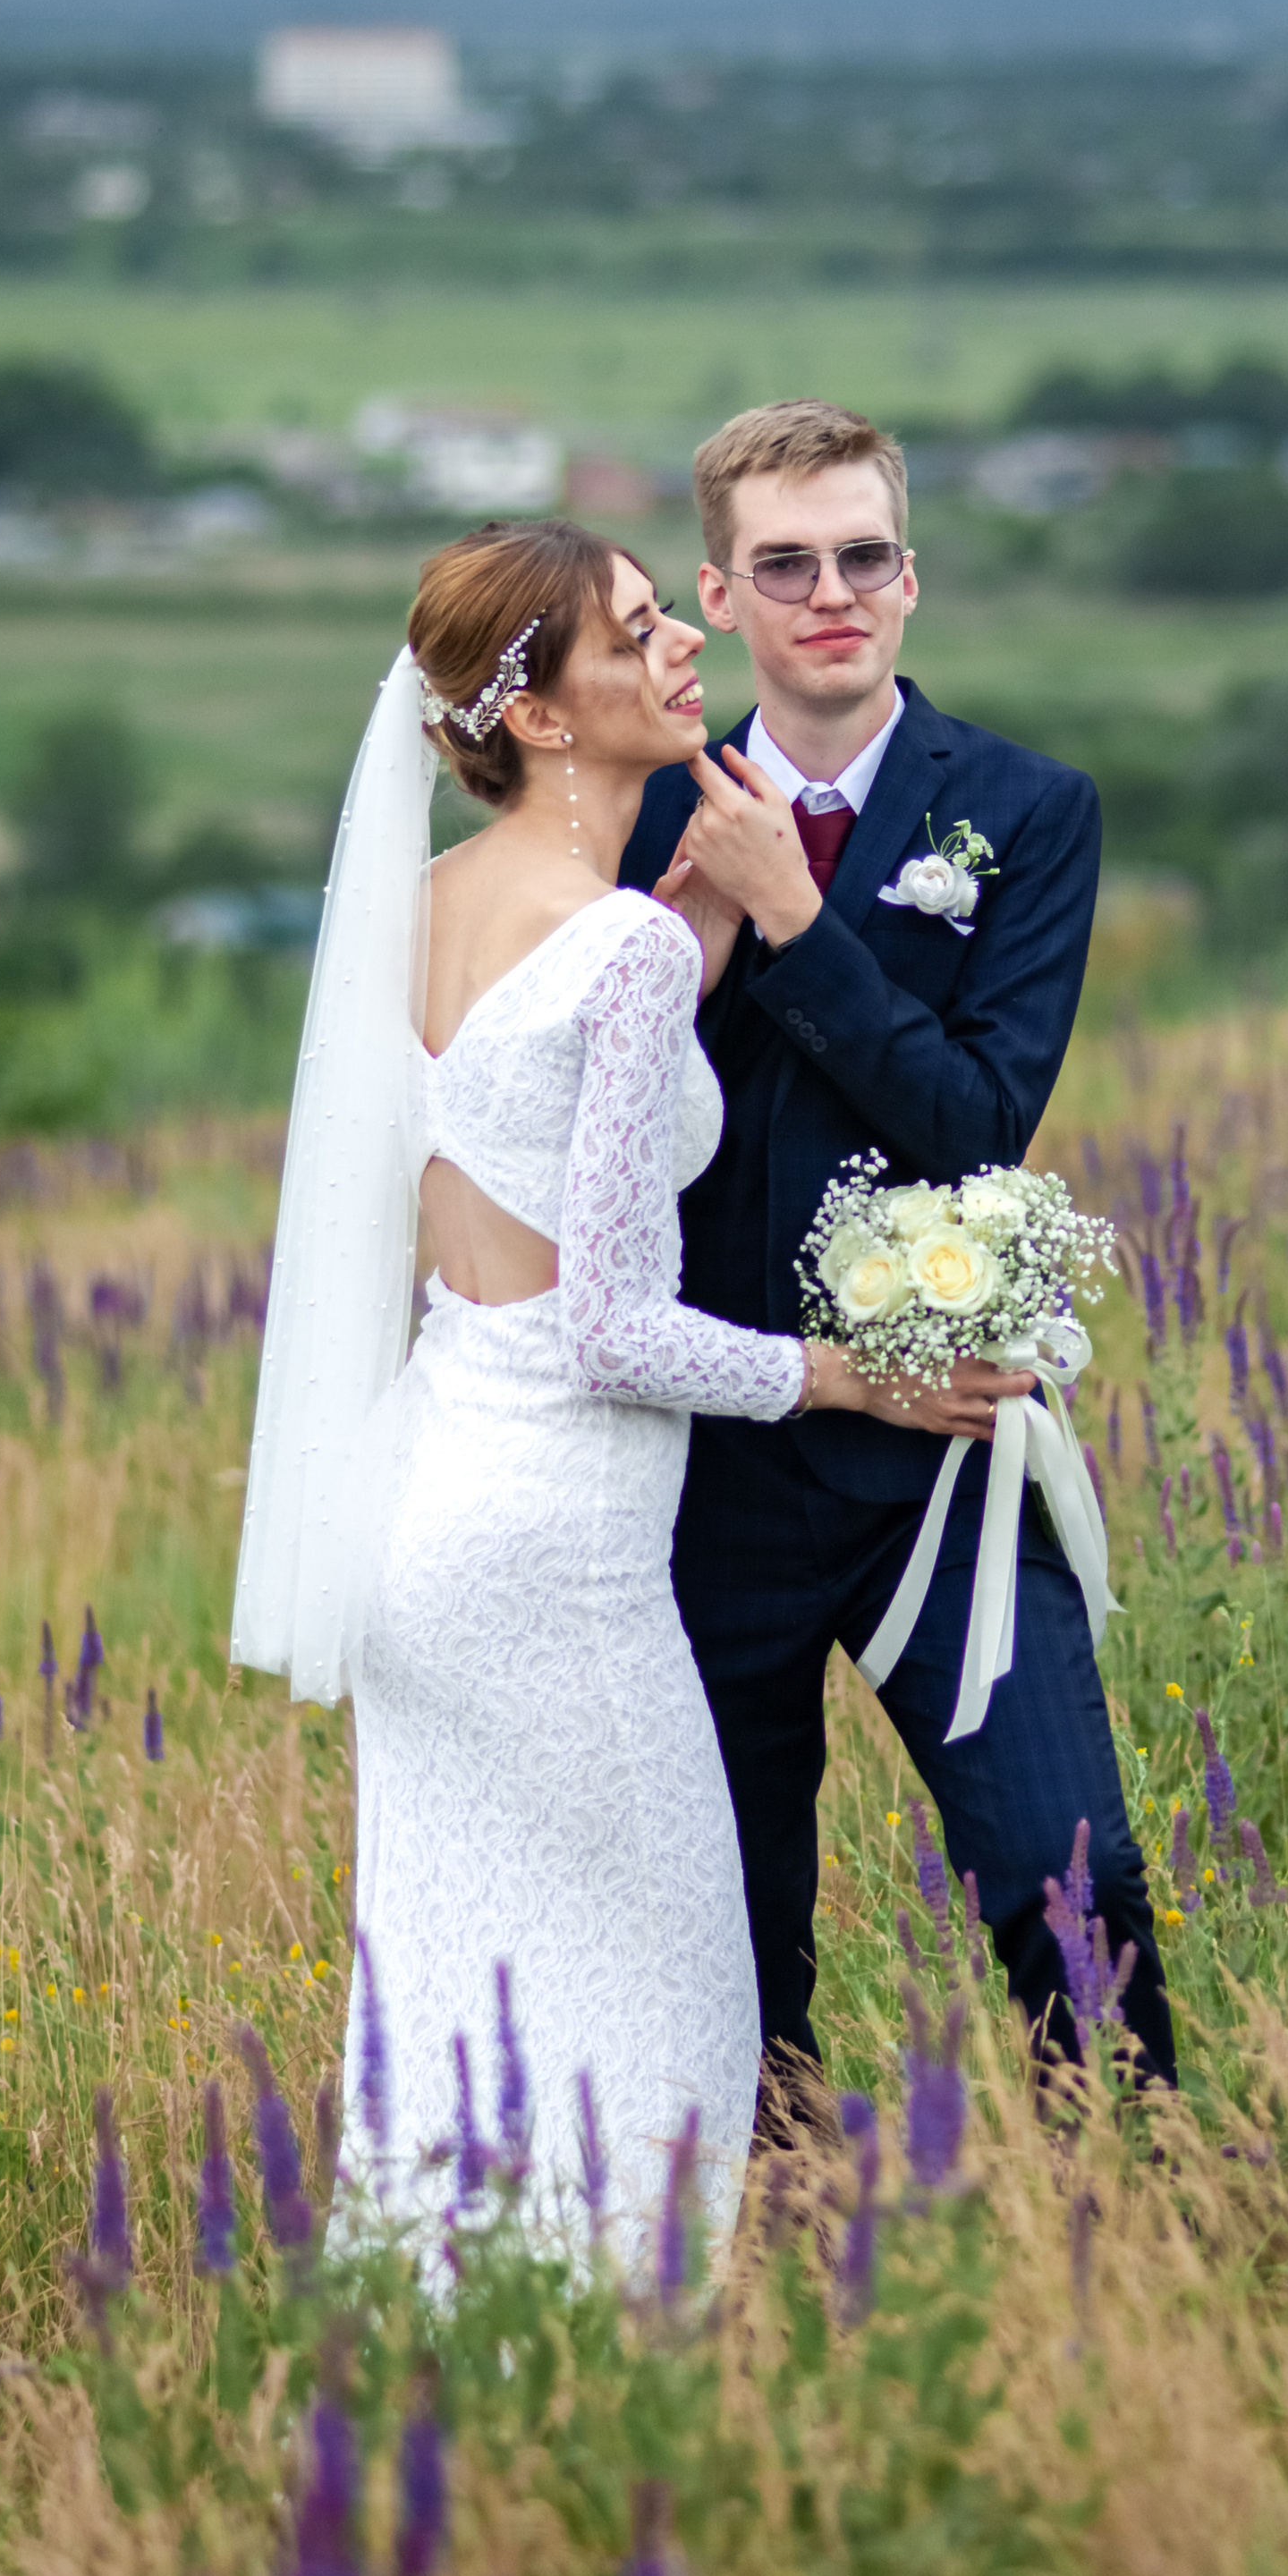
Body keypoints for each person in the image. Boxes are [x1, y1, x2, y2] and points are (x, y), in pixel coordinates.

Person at [229, 519, 989, 2264]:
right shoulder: (621, 958)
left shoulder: (433, 911)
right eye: (636, 634)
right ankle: (633, 2383)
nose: (681, 652)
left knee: (452, 2018)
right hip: (557, 1552)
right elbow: (615, 1332)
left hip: (422, 1516)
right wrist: (854, 1375)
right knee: (676, 2015)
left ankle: (458, 2370)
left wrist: (701, 905)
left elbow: (532, 1083)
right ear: (548, 716)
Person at [622, 397, 1175, 2106]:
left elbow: (976, 1123)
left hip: (946, 1453)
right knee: (737, 1921)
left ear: (913, 579)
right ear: (721, 597)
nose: (830, 593)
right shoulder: (635, 826)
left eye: (864, 556)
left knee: (1061, 1862)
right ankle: (764, 2245)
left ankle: (1138, 2221)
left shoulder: (1026, 808)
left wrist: (788, 918)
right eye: (784, 565)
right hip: (708, 1460)